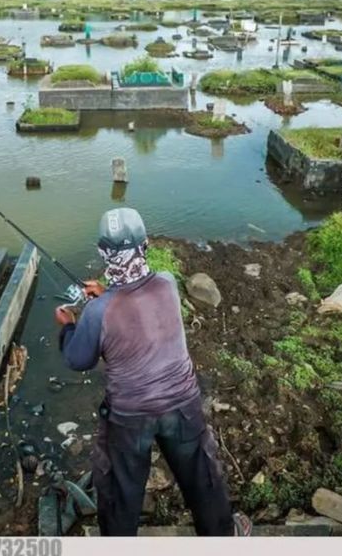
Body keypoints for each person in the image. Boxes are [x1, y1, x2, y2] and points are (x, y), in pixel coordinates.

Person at [55, 208, 251, 537]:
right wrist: (106, 292)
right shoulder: (167, 283)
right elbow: (135, 300)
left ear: (103, 252)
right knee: (201, 476)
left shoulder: (96, 312)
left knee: (121, 488)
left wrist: (69, 326)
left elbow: (78, 360)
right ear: (144, 246)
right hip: (183, 406)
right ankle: (222, 535)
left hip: (130, 418)